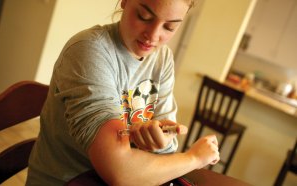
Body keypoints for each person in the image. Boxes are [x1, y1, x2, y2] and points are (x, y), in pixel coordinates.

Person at [27, 0, 220, 185]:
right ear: (125, 1)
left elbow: (166, 151)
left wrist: (160, 139)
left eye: (169, 27)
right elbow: (120, 172)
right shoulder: (88, 50)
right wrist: (194, 158)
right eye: (144, 16)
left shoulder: (162, 58)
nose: (153, 36)